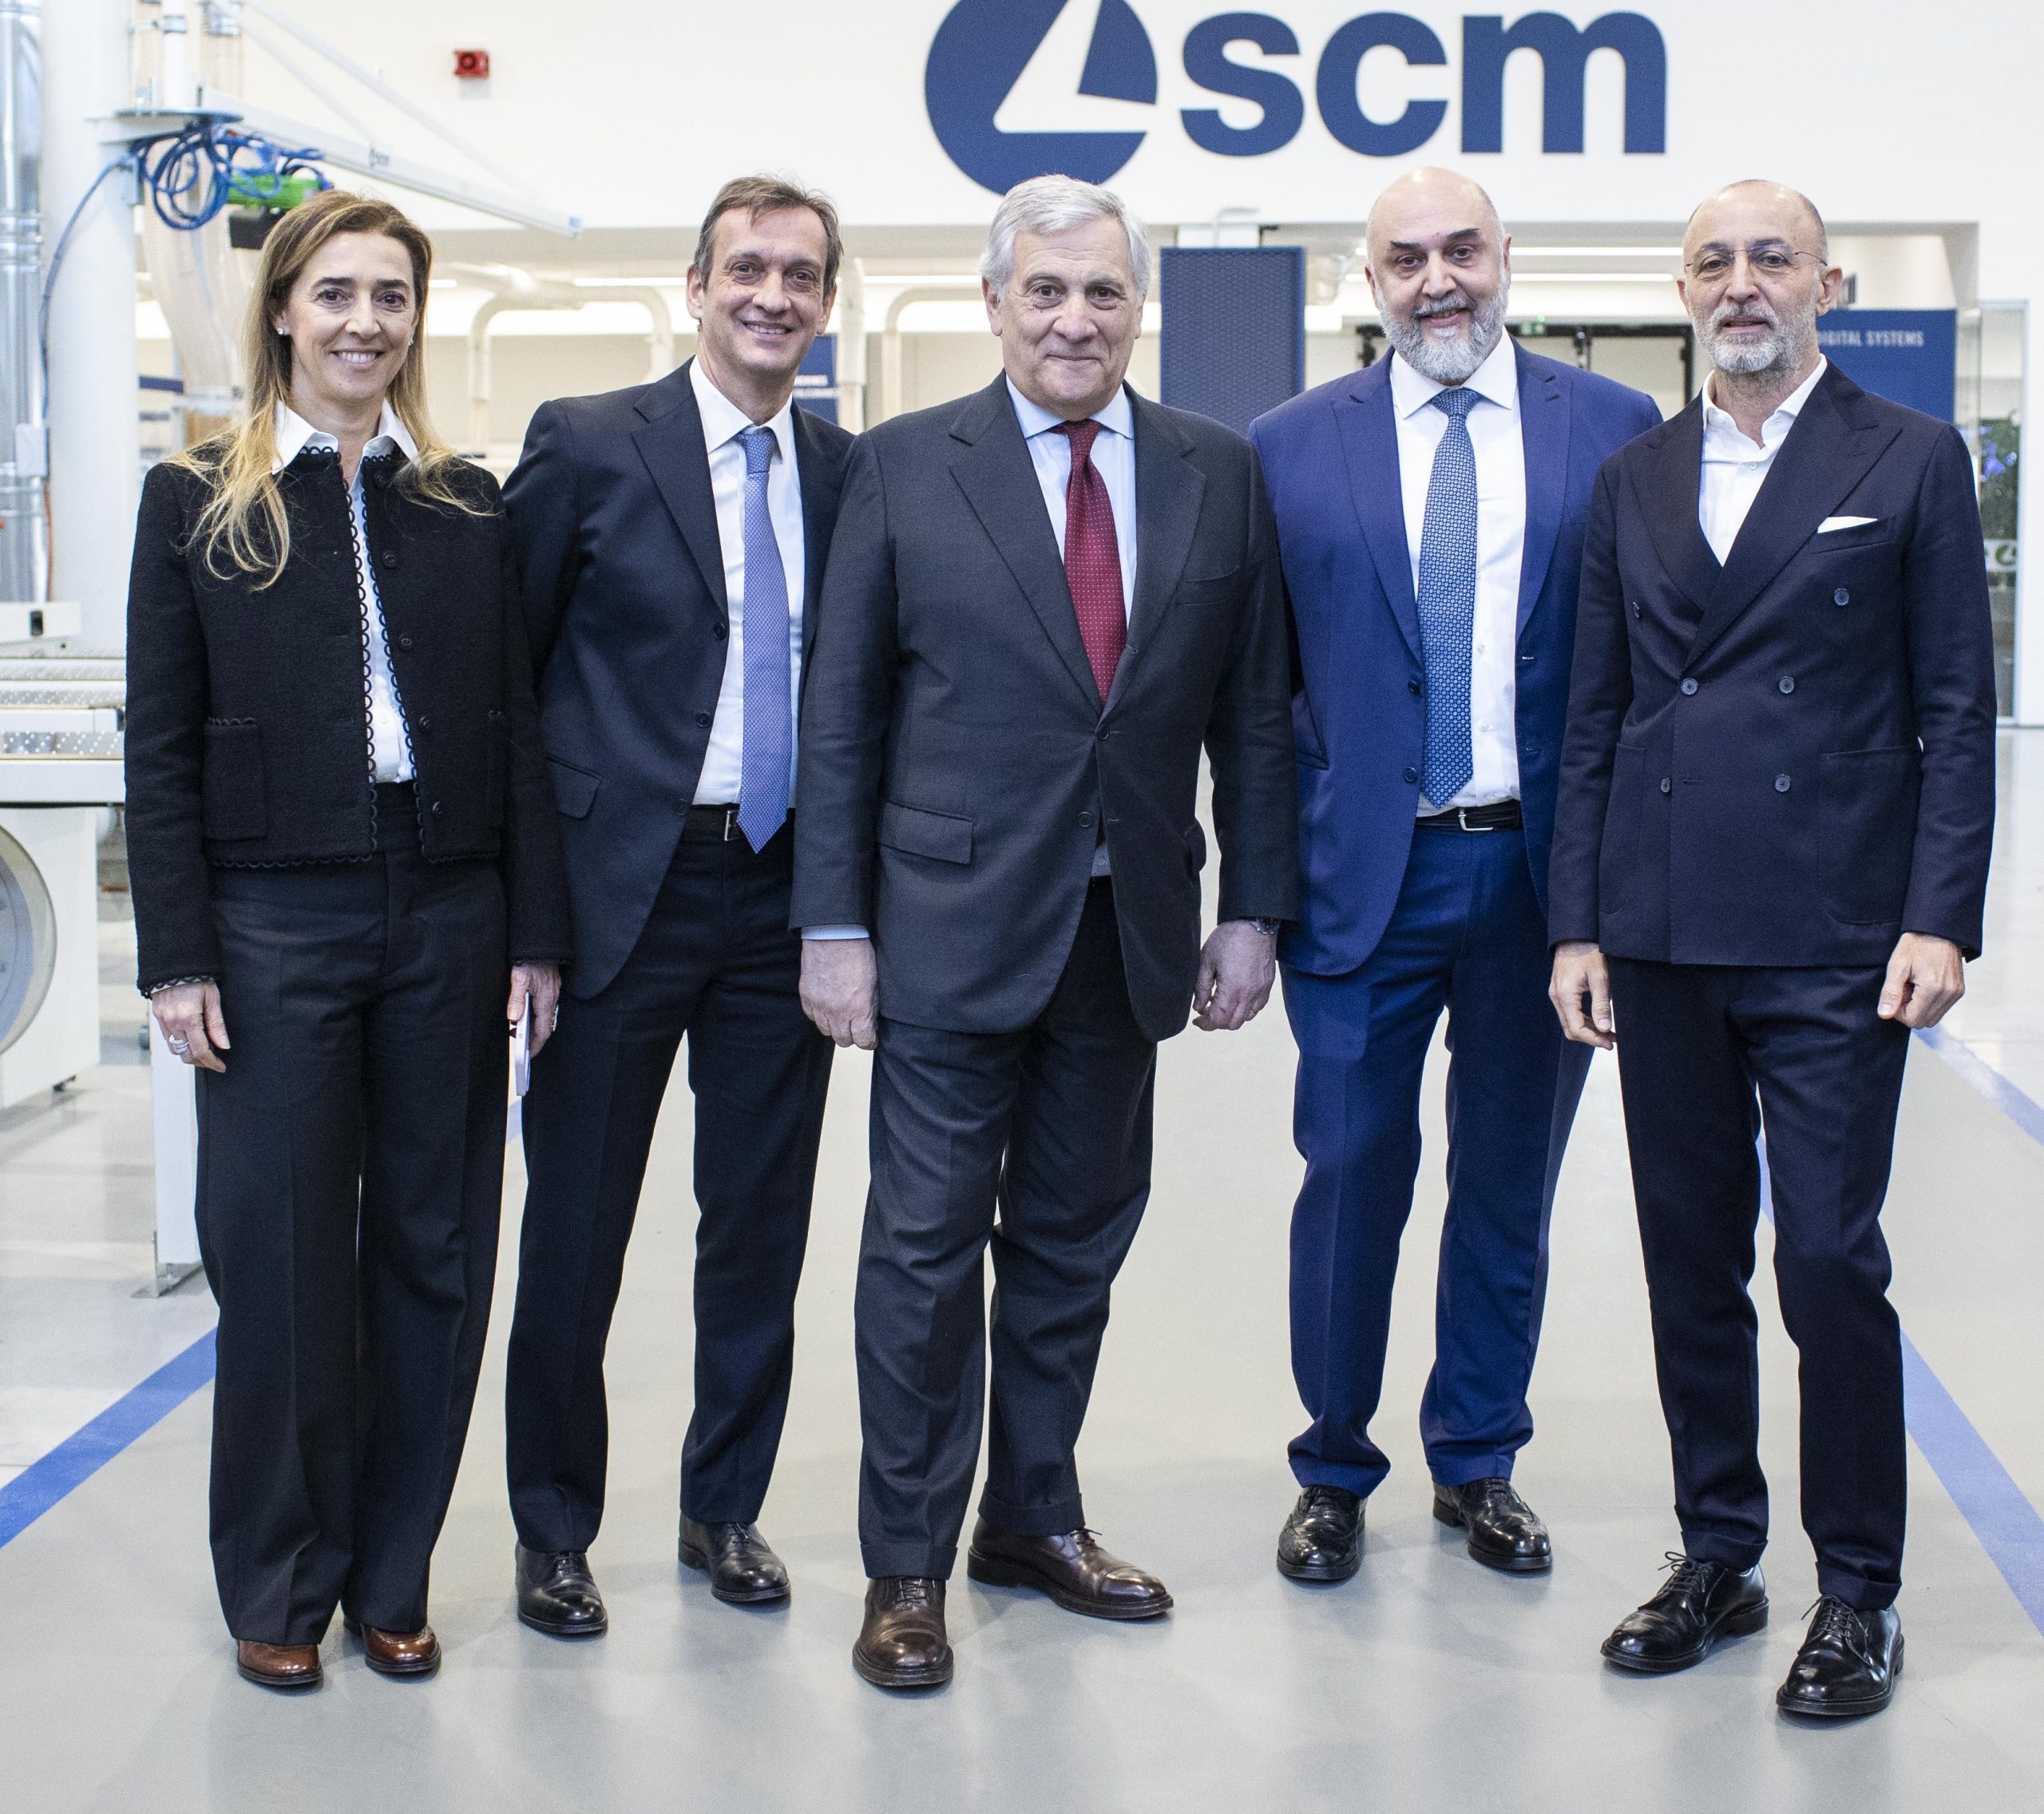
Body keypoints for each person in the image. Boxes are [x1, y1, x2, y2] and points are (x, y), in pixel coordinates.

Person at [794, 173, 1297, 1689]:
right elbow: (842, 714)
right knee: (923, 1255)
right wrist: (834, 923)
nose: (1076, 319)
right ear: (995, 303)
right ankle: (905, 1565)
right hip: (945, 926)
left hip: (1125, 929)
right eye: (1047, 291)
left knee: (1075, 1246)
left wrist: (1251, 907)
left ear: (1139, 307)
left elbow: (1251, 715)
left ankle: (1032, 1517)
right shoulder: (903, 464)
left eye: (1103, 292)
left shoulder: (1215, 470)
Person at [1549, 180, 1996, 1719]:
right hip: (1664, 925)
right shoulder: (1634, 477)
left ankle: (1858, 1588)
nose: (1741, 284)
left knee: (1825, 1259)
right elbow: (1597, 715)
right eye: (1713, 262)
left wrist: (1941, 914)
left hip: (1837, 932)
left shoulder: (1909, 456)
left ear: (1827, 284)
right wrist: (1580, 923)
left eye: (1771, 259)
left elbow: (1954, 706)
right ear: (1685, 290)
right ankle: (1718, 1555)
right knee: (1688, 1258)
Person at [125, 189, 569, 1691]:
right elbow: (159, 742)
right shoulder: (198, 498)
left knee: (435, 1253)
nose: (364, 322)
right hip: (272, 917)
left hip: (448, 910)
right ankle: (280, 1579)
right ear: (282, 312)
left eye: (390, 296)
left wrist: (534, 933)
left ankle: (392, 1574)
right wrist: (178, 951)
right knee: (283, 1259)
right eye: (335, 294)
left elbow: (515, 726)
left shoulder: (464, 502)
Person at [1248, 168, 1661, 1586]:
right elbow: (1258, 696)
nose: (1439, 281)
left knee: (1507, 1181)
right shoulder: (1290, 445)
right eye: (1407, 258)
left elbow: (1640, 669)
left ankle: (1478, 1456)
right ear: (1370, 280)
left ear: (1506, 259)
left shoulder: (1613, 427)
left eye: (1463, 251)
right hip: (1363, 881)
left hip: (1545, 888)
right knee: (1351, 1173)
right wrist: (1257, 893)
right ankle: (1332, 1466)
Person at [499, 176, 853, 1634]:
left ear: (826, 302)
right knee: (577, 1230)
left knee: (759, 1228)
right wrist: (528, 925)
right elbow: (507, 690)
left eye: (801, 274)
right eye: (747, 269)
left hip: (782, 892)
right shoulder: (588, 444)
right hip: (614, 901)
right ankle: (552, 1529)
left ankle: (726, 1508)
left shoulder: (847, 471)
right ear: (695, 288)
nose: (773, 295)